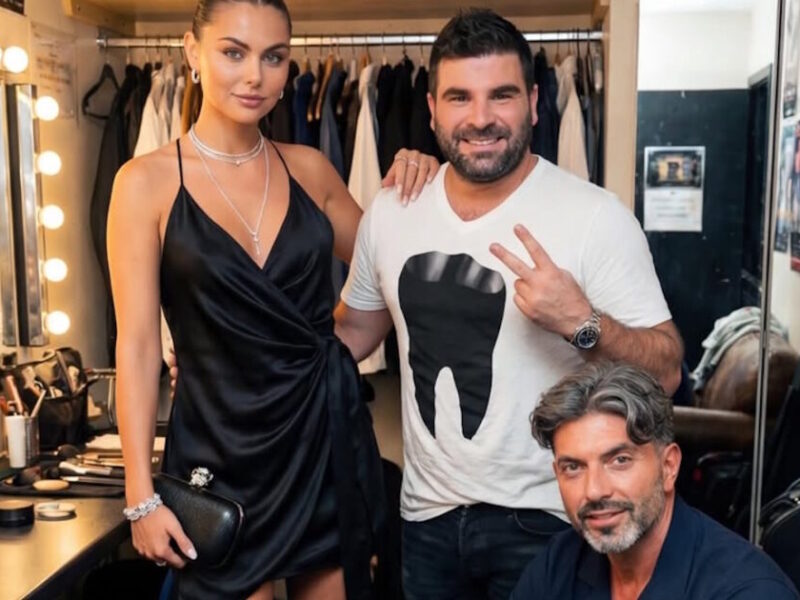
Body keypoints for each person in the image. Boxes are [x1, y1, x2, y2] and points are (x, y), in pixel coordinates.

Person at [333, 9, 684, 599]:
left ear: (535, 102)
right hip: (426, 518)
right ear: (431, 109)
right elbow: (349, 336)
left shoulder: (594, 216)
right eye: (459, 97)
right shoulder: (392, 212)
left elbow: (667, 370)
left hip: (547, 521)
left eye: (502, 95)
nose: (480, 118)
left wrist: (583, 323)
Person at [107, 1, 439, 599]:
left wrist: (424, 179)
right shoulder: (144, 183)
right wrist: (140, 495)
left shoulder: (310, 169)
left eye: (274, 57)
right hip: (217, 451)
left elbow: (398, 271)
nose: (255, 76)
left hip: (320, 442)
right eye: (233, 53)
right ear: (192, 52)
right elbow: (135, 345)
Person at [512, 362, 799, 600]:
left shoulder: (749, 590)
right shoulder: (558, 564)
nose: (595, 490)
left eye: (619, 460)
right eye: (573, 467)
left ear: (668, 467)